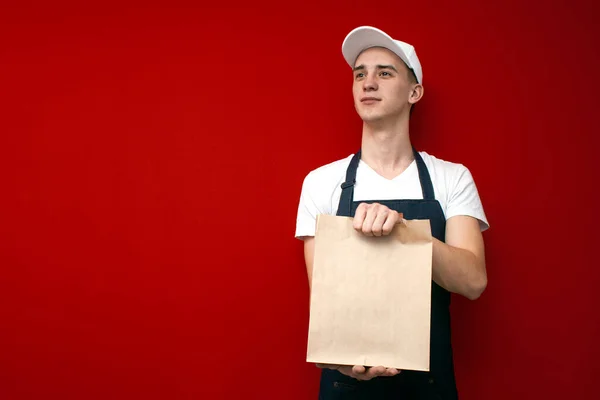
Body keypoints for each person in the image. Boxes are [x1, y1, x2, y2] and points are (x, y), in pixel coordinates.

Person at [294, 26, 490, 399]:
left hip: (429, 384)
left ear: (414, 92)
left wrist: (404, 233)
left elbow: (473, 281)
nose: (368, 82)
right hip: (346, 382)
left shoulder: (451, 178)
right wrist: (339, 361)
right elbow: (323, 300)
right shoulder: (321, 183)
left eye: (385, 72)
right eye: (360, 74)